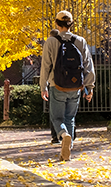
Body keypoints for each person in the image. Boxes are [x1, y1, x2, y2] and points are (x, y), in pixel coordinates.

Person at [40, 10, 95, 161]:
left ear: (56, 24)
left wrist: (43, 87)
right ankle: (67, 151)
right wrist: (89, 87)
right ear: (71, 24)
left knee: (57, 118)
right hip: (75, 87)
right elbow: (88, 66)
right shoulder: (81, 41)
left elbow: (45, 66)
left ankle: (64, 135)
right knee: (70, 118)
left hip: (56, 86)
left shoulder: (51, 42)